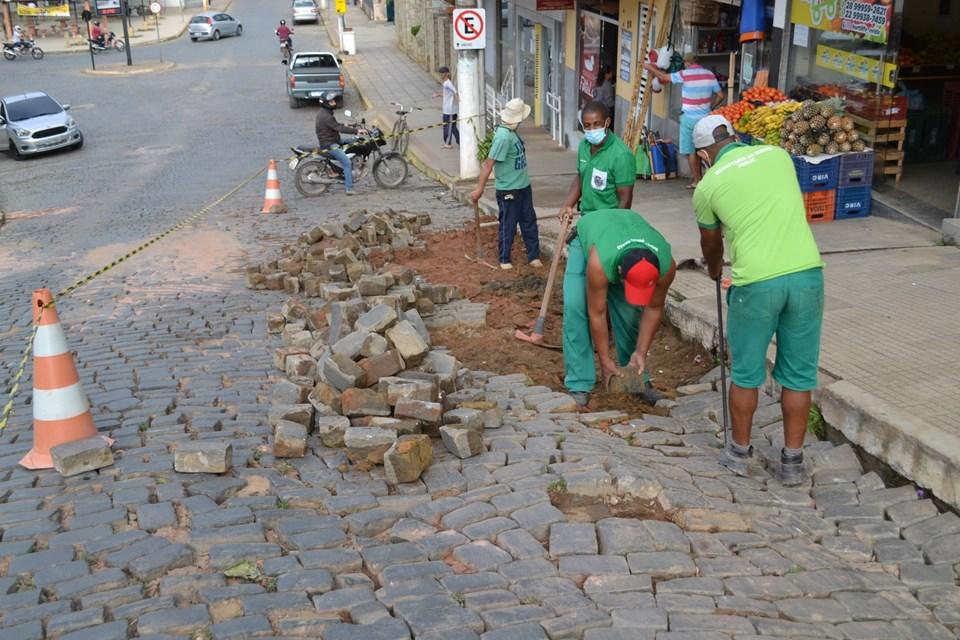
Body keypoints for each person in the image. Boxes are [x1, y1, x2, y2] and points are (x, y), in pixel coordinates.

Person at [692, 115, 825, 486]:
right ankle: (793, 462)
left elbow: (711, 243)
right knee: (799, 376)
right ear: (734, 136)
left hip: (756, 285)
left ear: (704, 155)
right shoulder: (778, 155)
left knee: (747, 373)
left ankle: (739, 451)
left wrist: (715, 269)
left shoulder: (706, 188)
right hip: (807, 275)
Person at [561, 208, 676, 408]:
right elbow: (597, 313)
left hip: (624, 228)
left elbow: (654, 309)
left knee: (631, 312)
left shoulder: (666, 266)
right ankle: (579, 383)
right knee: (576, 305)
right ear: (620, 272)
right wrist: (605, 360)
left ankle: (635, 377)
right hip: (591, 232)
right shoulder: (600, 261)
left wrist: (641, 351)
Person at [470, 98, 542, 270]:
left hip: (523, 186)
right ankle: (504, 259)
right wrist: (479, 188)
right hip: (509, 189)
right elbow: (489, 163)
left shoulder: (512, 133)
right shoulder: (502, 137)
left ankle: (534, 256)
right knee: (508, 225)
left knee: (529, 222)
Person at [644, 52, 723, 188]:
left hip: (689, 119)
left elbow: (663, 77)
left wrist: (649, 67)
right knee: (706, 150)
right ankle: (710, 181)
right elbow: (720, 95)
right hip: (705, 119)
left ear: (687, 63)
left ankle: (697, 181)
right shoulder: (709, 74)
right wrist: (710, 107)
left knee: (691, 151)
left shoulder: (684, 74)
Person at [314, 92, 366, 196]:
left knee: (354, 141)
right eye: (331, 101)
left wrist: (347, 125)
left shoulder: (325, 113)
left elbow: (335, 126)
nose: (333, 103)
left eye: (333, 101)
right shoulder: (326, 116)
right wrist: (357, 131)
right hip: (330, 145)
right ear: (325, 103)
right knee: (347, 163)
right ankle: (349, 189)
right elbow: (339, 128)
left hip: (333, 140)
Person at [432, 66, 459, 148]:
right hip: (447, 110)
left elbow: (455, 91)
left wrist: (458, 99)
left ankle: (448, 144)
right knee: (452, 127)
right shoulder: (446, 83)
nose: (440, 75)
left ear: (446, 74)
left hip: (450, 111)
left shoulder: (448, 83)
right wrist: (438, 94)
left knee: (448, 127)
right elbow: (448, 94)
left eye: (441, 73)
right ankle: (460, 141)